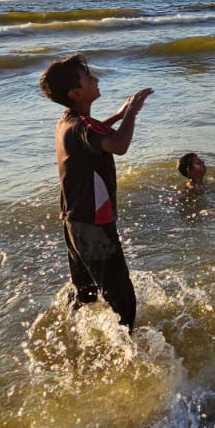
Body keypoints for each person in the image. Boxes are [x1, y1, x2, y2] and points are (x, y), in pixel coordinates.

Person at [39, 54, 153, 331]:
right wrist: (132, 114)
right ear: (76, 93)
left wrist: (119, 114)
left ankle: (76, 340)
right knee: (123, 301)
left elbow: (94, 134)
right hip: (93, 225)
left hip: (73, 221)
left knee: (86, 294)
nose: (96, 79)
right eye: (89, 78)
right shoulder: (82, 126)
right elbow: (117, 144)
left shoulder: (68, 120)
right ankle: (129, 357)